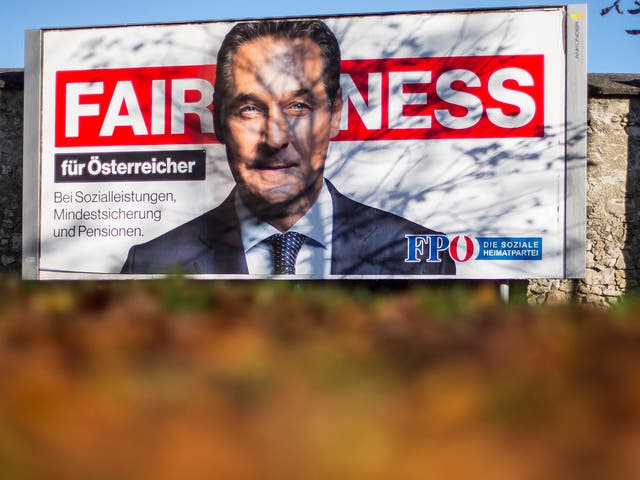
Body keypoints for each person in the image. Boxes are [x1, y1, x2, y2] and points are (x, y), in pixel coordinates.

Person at [121, 19, 455, 276]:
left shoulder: (421, 257)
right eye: (249, 109)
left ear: (335, 114)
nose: (276, 138)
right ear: (219, 120)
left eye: (298, 106)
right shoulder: (153, 263)